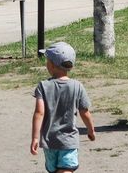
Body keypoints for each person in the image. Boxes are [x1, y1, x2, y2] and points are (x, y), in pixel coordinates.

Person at [30, 41, 96, 173]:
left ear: (52, 65)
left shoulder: (43, 86)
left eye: (47, 60)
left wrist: (35, 138)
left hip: (50, 142)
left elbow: (39, 113)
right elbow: (85, 112)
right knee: (66, 169)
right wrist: (91, 130)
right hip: (68, 141)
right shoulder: (77, 86)